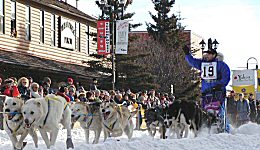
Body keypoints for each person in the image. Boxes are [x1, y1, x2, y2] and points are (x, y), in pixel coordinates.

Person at [183, 39, 231, 132]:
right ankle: (205, 128)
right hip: (206, 92)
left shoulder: (221, 65)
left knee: (219, 110)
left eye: (209, 54)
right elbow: (193, 62)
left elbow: (226, 77)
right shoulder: (202, 63)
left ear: (214, 55)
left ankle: (225, 128)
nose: (207, 55)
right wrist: (187, 54)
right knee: (206, 110)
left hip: (218, 91)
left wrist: (220, 85)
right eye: (206, 54)